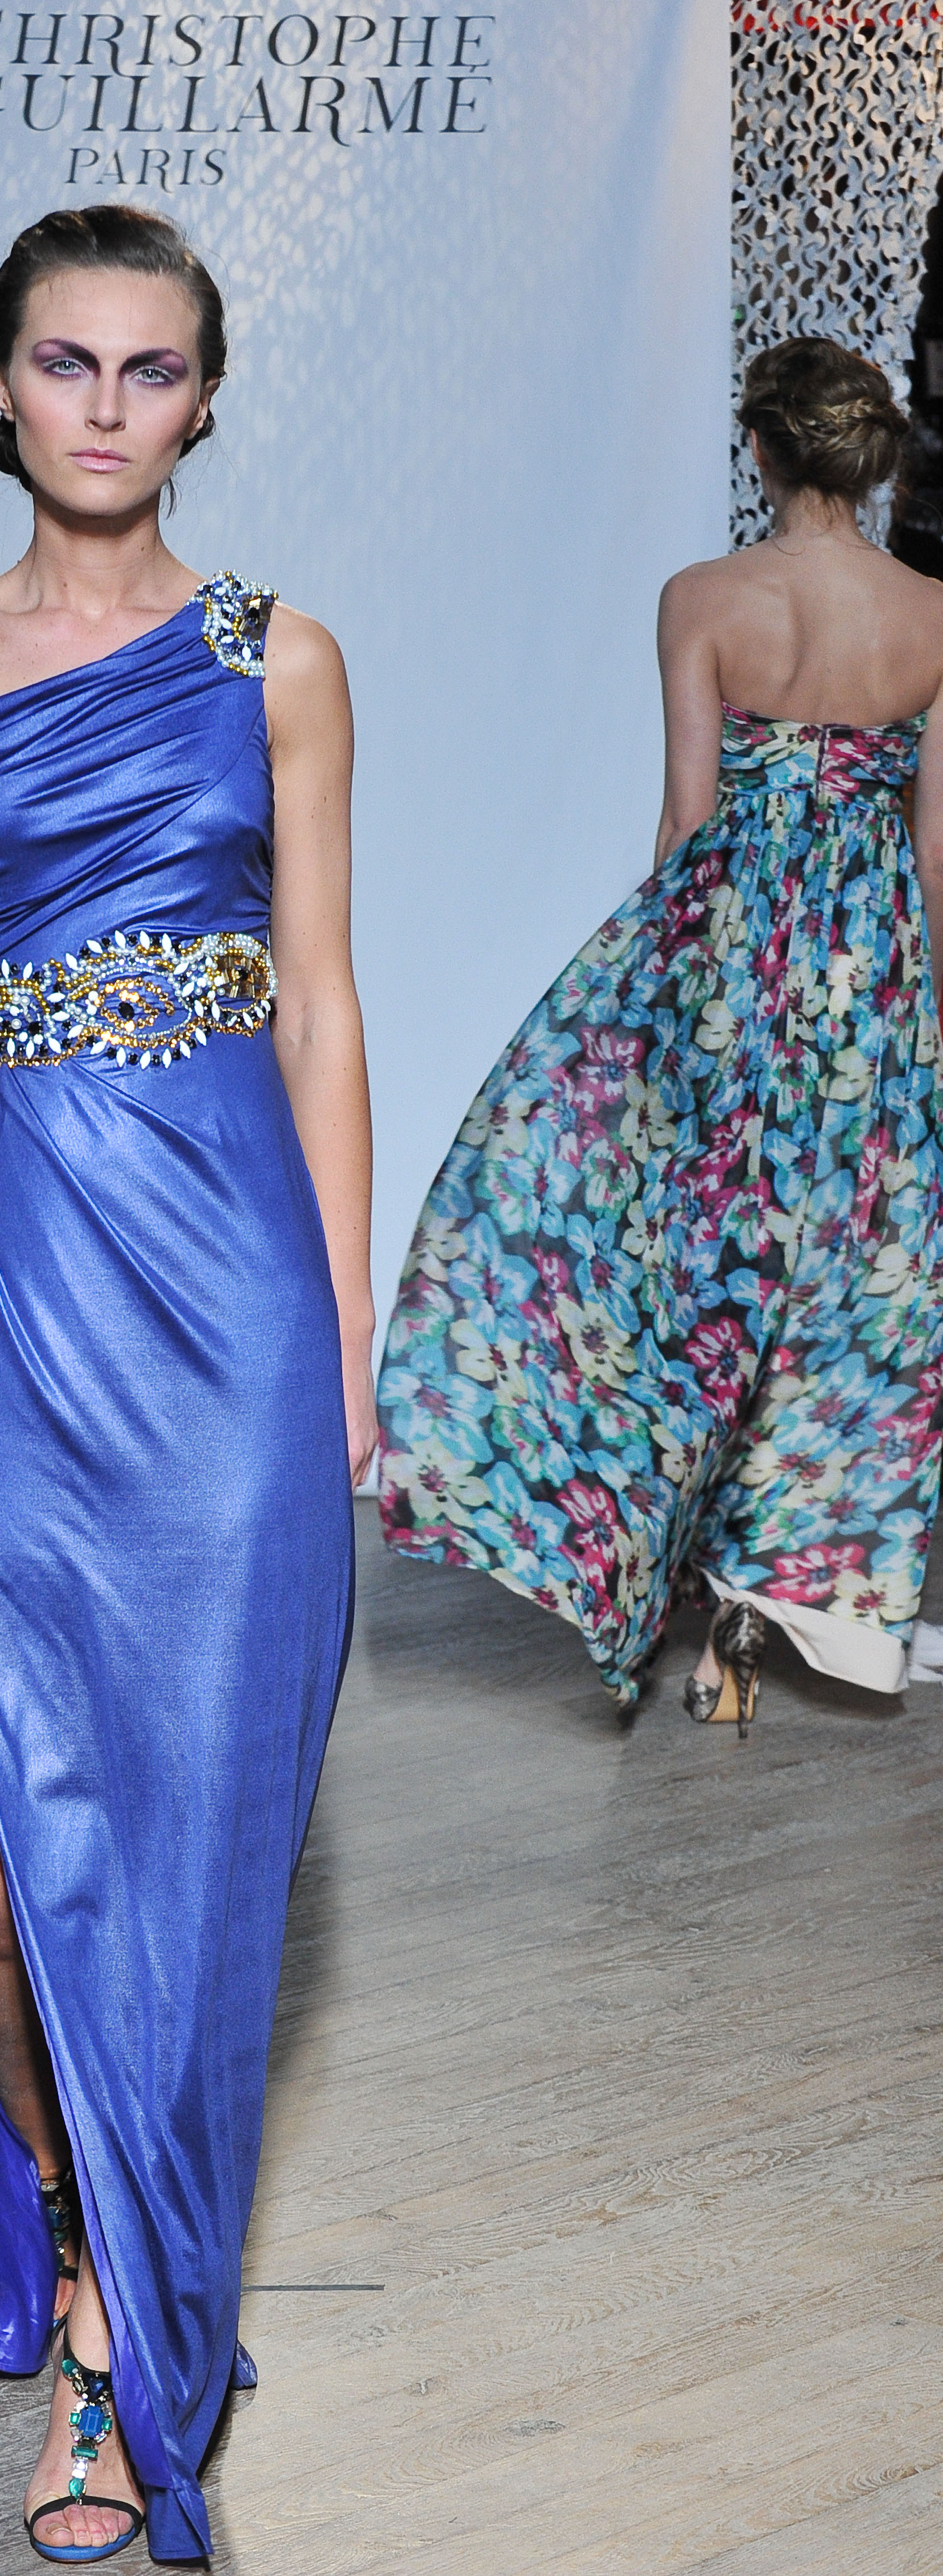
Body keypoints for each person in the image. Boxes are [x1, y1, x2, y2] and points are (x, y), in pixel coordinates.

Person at [0, 206, 373, 2566]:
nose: (106, 404)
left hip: (230, 1287)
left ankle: (128, 2339)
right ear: (1, 379)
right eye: (66, 360)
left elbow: (321, 1003)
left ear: (203, 397)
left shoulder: (278, 658)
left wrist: (342, 1345)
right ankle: (64, 2209)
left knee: (199, 1836)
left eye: (150, 367)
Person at [378, 336, 943, 1733]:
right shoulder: (933, 613)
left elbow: (687, 820)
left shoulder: (701, 597)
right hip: (872, 985)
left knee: (697, 1276)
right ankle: (769, 1593)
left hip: (727, 976)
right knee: (843, 1293)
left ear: (760, 449)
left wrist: (646, 1010)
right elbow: (933, 852)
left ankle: (663, 1572)